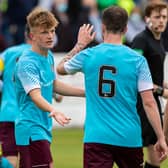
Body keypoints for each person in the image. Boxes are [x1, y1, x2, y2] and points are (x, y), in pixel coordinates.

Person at [57, 6, 168, 168]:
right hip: (128, 137)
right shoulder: (137, 60)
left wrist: (79, 45)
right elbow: (149, 102)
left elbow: (60, 68)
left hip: (96, 137)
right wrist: (161, 138)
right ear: (125, 29)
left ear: (102, 27)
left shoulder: (88, 55)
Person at [14, 7, 86, 168]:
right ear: (32, 36)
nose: (50, 36)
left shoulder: (49, 56)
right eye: (44, 32)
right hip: (31, 129)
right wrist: (54, 111)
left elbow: (54, 84)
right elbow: (35, 95)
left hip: (41, 128)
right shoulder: (27, 63)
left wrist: (86, 93)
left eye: (52, 31)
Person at [131, 2, 168, 167]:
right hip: (142, 103)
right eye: (157, 17)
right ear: (147, 19)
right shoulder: (140, 40)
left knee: (153, 152)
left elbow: (154, 75)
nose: (161, 21)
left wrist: (163, 85)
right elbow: (134, 75)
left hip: (153, 100)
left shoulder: (159, 40)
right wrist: (162, 91)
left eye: (164, 17)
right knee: (152, 151)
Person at [0, 24, 32, 168]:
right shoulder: (41, 55)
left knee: (10, 159)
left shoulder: (7, 53)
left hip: (8, 113)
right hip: (30, 116)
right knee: (32, 160)